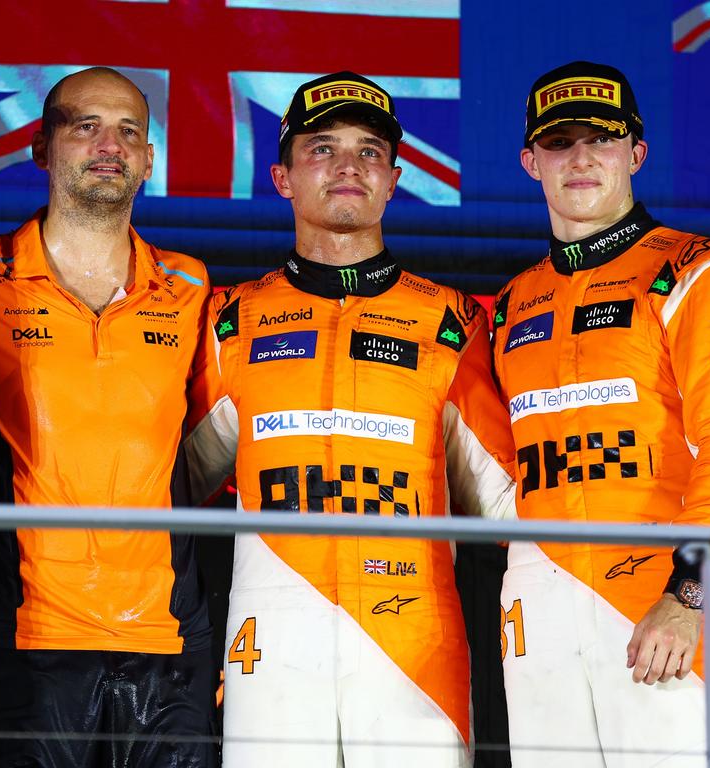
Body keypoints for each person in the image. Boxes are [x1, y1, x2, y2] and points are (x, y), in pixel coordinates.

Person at [185, 71, 517, 768]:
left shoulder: (454, 321)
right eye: (322, 148)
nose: (347, 167)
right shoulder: (229, 321)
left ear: (394, 179)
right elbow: (167, 485)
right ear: (282, 177)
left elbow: (514, 508)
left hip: (412, 648)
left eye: (369, 151)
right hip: (269, 638)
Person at [0, 67, 217, 767]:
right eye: (86, 126)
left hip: (166, 641)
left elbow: (212, 447)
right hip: (27, 639)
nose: (111, 144)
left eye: (130, 129)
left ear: (150, 157)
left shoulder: (192, 288)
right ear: (42, 148)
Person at [491, 60, 710, 766]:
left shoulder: (701, 270)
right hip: (538, 613)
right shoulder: (510, 305)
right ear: (529, 162)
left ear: (636, 154)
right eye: (558, 142)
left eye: (600, 140)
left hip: (663, 607)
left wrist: (690, 594)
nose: (579, 158)